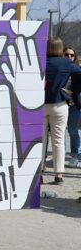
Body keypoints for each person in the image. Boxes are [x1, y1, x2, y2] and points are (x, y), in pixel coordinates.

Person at [42, 38, 81, 186]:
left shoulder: (40, 61)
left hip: (41, 104)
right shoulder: (66, 63)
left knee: (42, 140)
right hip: (59, 103)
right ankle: (58, 175)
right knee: (58, 140)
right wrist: (74, 91)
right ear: (60, 48)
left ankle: (39, 173)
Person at [64, 46, 80, 167]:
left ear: (75, 57)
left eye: (72, 55)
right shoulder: (60, 69)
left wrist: (71, 93)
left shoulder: (78, 71)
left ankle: (75, 155)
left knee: (72, 131)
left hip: (74, 105)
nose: (69, 57)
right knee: (60, 132)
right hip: (60, 104)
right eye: (67, 54)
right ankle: (61, 154)